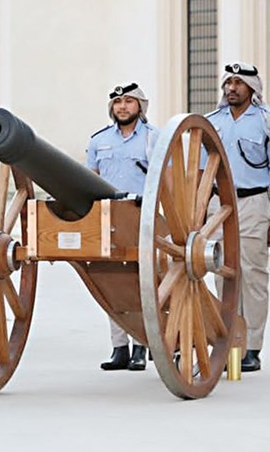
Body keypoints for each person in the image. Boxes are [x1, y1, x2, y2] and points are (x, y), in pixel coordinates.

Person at [205, 62, 270, 373]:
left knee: (253, 276)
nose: (231, 88)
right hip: (218, 205)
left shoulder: (269, 123)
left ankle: (252, 347)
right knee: (222, 273)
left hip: (253, 204)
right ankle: (230, 341)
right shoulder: (211, 123)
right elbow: (201, 173)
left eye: (238, 83)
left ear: (252, 88)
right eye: (228, 83)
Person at [86, 81, 157, 371]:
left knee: (140, 282)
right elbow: (90, 177)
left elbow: (166, 180)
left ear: (140, 106)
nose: (122, 107)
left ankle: (141, 344)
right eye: (117, 102)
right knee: (110, 281)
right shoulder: (99, 140)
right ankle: (119, 348)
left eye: (128, 101)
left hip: (141, 216)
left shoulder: (154, 138)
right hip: (108, 216)